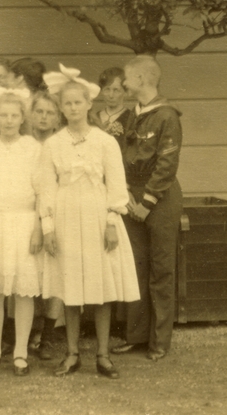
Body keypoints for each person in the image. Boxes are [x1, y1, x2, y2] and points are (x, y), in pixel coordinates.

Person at [40, 73, 140, 380]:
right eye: (66, 103)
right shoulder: (53, 144)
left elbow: (117, 185)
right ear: (61, 107)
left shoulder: (105, 141)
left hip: (98, 217)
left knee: (100, 287)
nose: (72, 108)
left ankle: (103, 354)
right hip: (66, 217)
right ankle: (72, 354)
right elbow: (45, 187)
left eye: (77, 102)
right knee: (70, 286)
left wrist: (112, 221)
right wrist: (48, 226)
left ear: (88, 103)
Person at [0, 92, 46, 377]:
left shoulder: (32, 147)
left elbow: (41, 191)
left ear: (23, 118)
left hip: (24, 221)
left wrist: (38, 227)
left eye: (15, 115)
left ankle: (21, 352)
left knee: (23, 292)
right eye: (3, 115)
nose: (9, 120)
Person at [113, 55, 183, 362]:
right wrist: (124, 190)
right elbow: (116, 154)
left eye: (127, 79)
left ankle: (160, 341)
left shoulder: (167, 116)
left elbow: (167, 164)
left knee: (161, 268)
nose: (124, 84)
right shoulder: (129, 116)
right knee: (136, 268)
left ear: (141, 79)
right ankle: (136, 335)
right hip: (131, 196)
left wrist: (147, 203)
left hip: (160, 198)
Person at [92, 67, 134, 149]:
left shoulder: (131, 118)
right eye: (107, 89)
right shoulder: (94, 118)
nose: (111, 95)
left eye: (116, 90)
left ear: (125, 92)